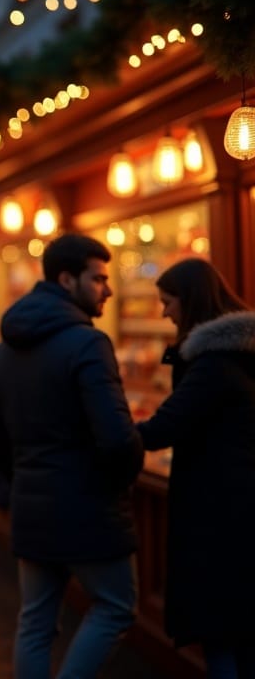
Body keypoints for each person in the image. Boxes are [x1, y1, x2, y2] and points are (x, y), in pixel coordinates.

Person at [0, 233, 144, 678]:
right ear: (67, 279)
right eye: (99, 279)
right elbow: (116, 437)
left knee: (35, 621)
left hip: (32, 504)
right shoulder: (88, 344)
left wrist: (27, 478)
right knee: (114, 606)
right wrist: (121, 480)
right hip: (89, 505)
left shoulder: (3, 351)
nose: (107, 290)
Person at [134, 258, 255, 678]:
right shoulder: (237, 355)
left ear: (192, 301)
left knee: (221, 633)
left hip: (220, 516)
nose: (164, 312)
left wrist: (107, 432)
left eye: (168, 302)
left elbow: (164, 427)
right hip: (239, 510)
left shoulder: (214, 365)